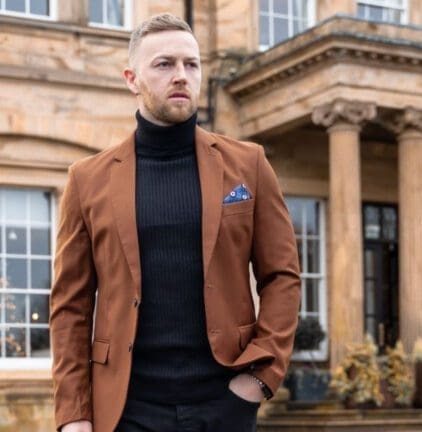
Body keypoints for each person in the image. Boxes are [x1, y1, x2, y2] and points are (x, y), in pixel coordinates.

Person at [50, 13, 301, 432]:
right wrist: (74, 415)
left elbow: (283, 276)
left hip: (224, 402)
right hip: (126, 409)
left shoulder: (249, 165)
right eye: (164, 65)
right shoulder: (86, 179)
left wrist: (259, 378)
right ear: (132, 79)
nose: (181, 76)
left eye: (191, 64)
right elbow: (70, 308)